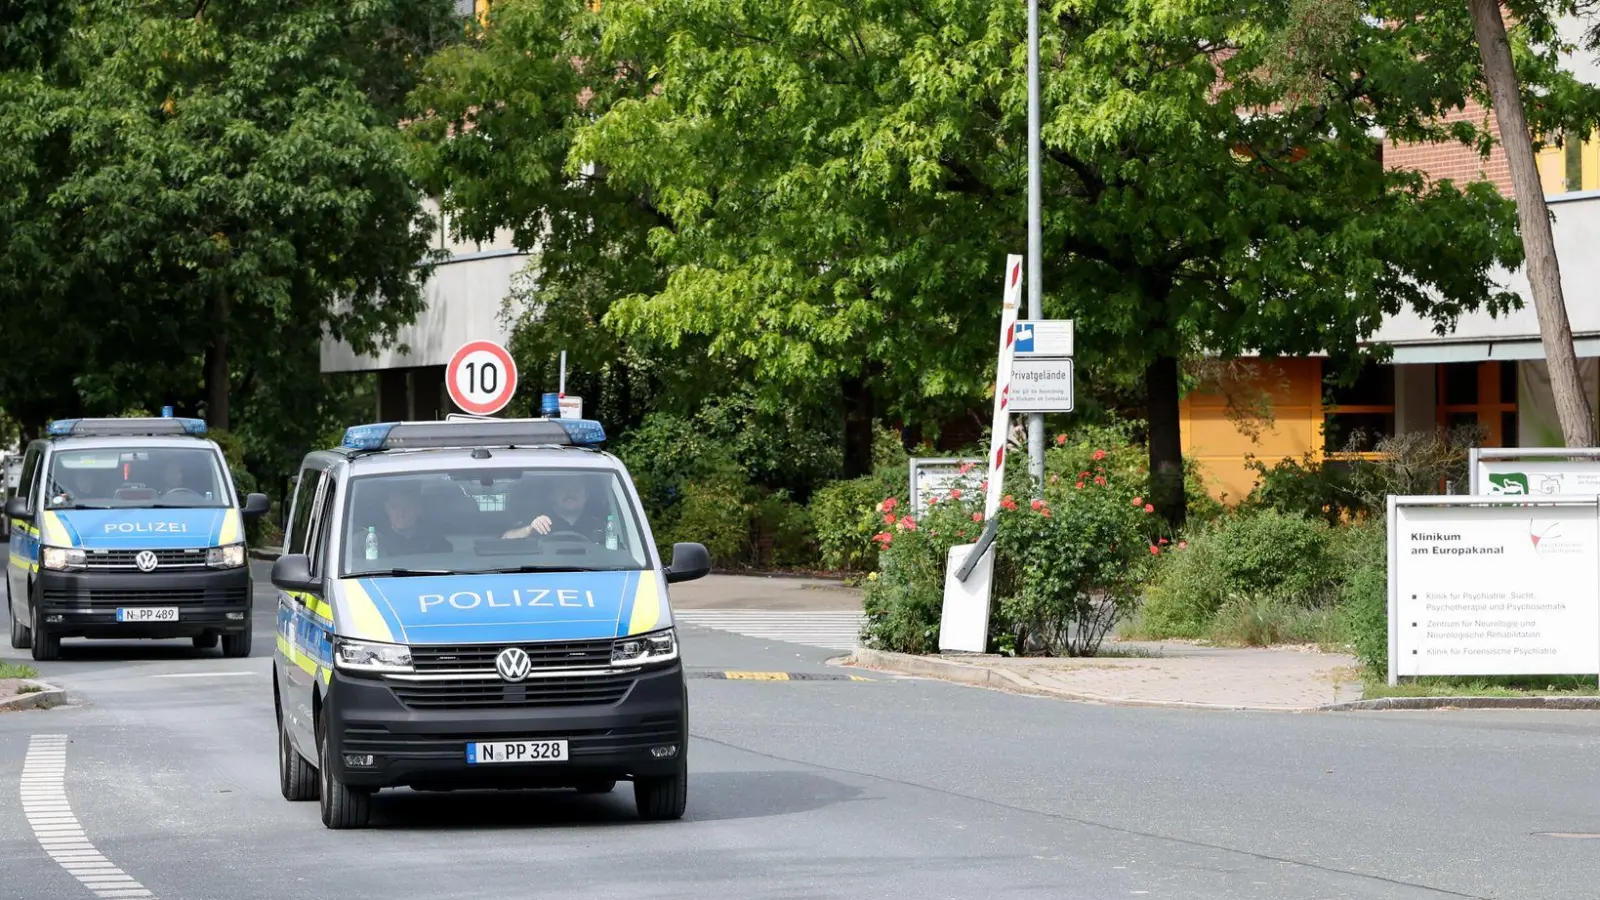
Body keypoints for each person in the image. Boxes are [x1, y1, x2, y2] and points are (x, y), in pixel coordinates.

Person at [501, 475, 611, 543]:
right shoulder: (540, 524)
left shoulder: (602, 526)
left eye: (576, 488)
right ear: (552, 495)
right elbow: (505, 538)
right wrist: (529, 529)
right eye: (564, 488)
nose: (570, 493)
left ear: (586, 496)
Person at [368, 485, 452, 556]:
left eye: (408, 507)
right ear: (387, 510)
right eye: (395, 507)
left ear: (418, 510)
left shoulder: (434, 541)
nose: (401, 513)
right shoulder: (372, 541)